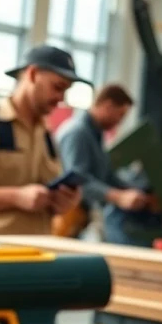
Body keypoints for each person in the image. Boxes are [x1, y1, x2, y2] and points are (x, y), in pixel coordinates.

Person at [0, 45, 85, 235]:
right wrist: (16, 197)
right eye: (57, 87)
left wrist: (65, 201)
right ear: (32, 74)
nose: (61, 98)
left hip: (40, 253)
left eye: (65, 91)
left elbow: (49, 197)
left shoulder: (47, 134)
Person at [57, 84, 150, 245]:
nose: (120, 122)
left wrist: (133, 191)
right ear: (107, 106)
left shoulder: (95, 134)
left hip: (83, 217)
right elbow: (77, 181)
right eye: (120, 115)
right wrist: (119, 197)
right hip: (66, 217)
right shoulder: (77, 132)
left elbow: (105, 175)